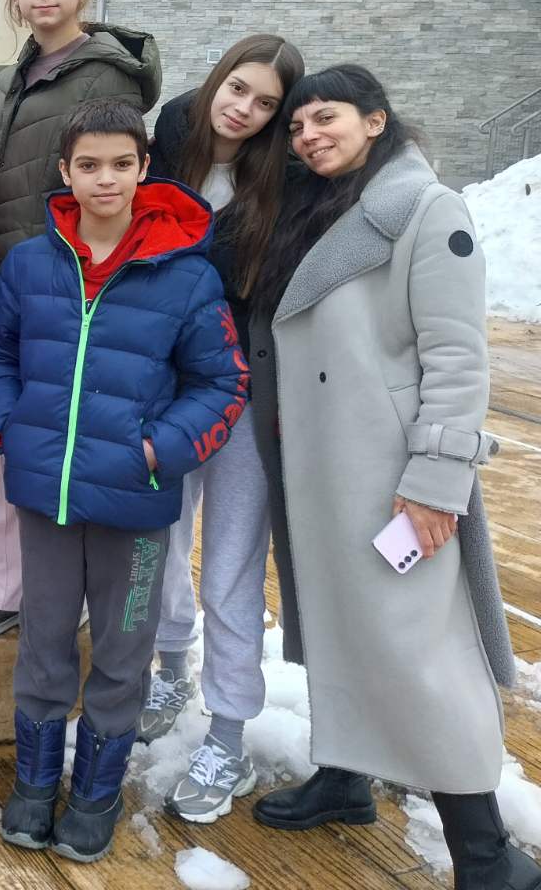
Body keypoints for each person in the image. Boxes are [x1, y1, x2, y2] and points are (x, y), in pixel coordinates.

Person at [247, 66, 537, 889]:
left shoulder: (425, 209)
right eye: (298, 126)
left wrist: (437, 483)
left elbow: (458, 358)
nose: (309, 136)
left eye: (327, 118)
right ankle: (346, 775)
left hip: (394, 474)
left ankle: (486, 852)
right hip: (323, 466)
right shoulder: (318, 207)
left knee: (423, 655)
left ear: (376, 120)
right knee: (342, 628)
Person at [0, 99, 246, 863]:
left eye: (122, 164)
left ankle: (96, 793)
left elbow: (222, 382)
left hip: (134, 505)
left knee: (124, 653)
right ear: (65, 172)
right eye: (90, 165)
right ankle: (36, 785)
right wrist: (7, 425)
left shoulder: (186, 276)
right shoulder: (31, 265)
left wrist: (159, 450)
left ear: (143, 168)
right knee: (44, 644)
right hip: (49, 497)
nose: (106, 179)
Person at [0, 0, 161, 641]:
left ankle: (70, 598)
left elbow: (112, 189)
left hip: (68, 292)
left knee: (64, 448)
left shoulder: (106, 76)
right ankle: (6, 589)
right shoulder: (10, 78)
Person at [135, 35, 304, 822]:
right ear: (216, 81)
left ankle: (228, 734)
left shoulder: (284, 179)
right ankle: (170, 668)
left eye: (266, 102)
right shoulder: (170, 139)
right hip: (164, 384)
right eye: (238, 88)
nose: (244, 108)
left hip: (242, 389)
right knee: (159, 539)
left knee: (232, 563)